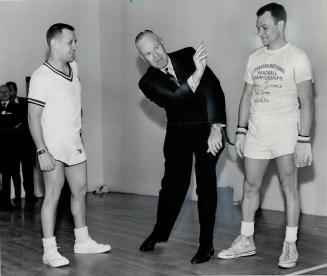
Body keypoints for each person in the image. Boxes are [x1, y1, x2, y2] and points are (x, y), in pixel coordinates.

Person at [217, 3, 313, 269]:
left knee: (289, 187)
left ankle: (290, 244)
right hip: (258, 133)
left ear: (280, 25)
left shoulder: (297, 57)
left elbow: (307, 101)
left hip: (286, 134)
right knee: (249, 186)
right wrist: (241, 130)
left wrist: (304, 140)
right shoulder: (255, 57)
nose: (260, 32)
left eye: (265, 27)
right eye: (258, 28)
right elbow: (247, 97)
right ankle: (246, 240)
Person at [135, 30, 227, 264]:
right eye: (148, 54)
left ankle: (206, 245)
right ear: (142, 58)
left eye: (156, 48)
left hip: (207, 129)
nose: (155, 56)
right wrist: (197, 73)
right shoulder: (147, 82)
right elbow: (175, 97)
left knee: (205, 185)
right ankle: (159, 232)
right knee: (172, 187)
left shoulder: (188, 54)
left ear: (162, 42)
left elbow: (213, 87)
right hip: (178, 131)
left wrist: (217, 127)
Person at [28, 23, 110, 268]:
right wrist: (41, 150)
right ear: (53, 43)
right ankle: (49, 250)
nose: (75, 46)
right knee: (53, 194)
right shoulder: (41, 76)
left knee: (81, 189)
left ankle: (82, 241)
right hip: (52, 145)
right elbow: (32, 117)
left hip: (73, 142)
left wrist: (78, 131)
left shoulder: (74, 67)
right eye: (70, 42)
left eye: (76, 42)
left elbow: (74, 103)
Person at [6, 81, 37, 204]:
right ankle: (17, 197)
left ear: (16, 91)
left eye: (11, 90)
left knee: (27, 170)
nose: (10, 93)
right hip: (12, 146)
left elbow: (31, 119)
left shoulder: (25, 102)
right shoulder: (4, 105)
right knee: (14, 172)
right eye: (8, 91)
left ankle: (30, 196)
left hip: (26, 144)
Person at [0, 84, 22, 210]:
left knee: (14, 174)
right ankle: (5, 201)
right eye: (1, 92)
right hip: (1, 149)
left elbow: (17, 124)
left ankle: (14, 200)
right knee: (4, 176)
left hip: (13, 149)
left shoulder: (16, 107)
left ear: (10, 93)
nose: (3, 94)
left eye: (6, 91)